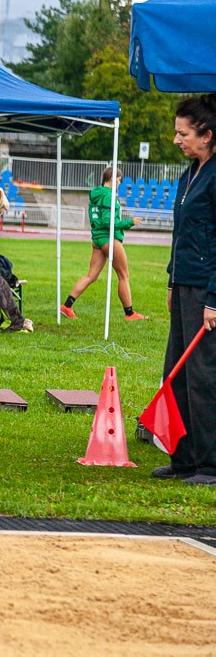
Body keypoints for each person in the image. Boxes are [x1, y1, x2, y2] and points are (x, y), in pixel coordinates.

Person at [151, 95, 216, 486]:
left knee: (203, 375)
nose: (176, 140)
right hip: (184, 285)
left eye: (184, 133)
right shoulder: (188, 174)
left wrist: (214, 299)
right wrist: (172, 280)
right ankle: (184, 458)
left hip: (206, 290)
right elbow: (181, 234)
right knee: (175, 372)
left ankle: (210, 465)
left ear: (207, 135)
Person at [60, 167, 146, 321]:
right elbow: (108, 222)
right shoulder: (108, 196)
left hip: (97, 239)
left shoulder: (96, 194)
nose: (119, 183)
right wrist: (130, 222)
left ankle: (67, 306)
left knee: (91, 276)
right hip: (109, 238)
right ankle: (130, 314)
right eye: (119, 180)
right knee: (123, 276)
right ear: (112, 179)